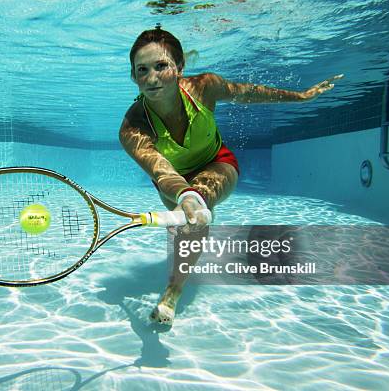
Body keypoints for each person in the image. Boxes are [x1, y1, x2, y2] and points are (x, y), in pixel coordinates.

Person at [119, 26, 343, 326]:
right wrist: (186, 196)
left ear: (179, 67)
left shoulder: (203, 87)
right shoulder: (132, 127)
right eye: (142, 70)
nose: (152, 78)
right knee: (191, 225)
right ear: (133, 76)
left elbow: (247, 93)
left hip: (217, 164)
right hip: (172, 182)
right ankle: (174, 289)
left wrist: (300, 97)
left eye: (161, 66)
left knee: (197, 205)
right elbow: (160, 169)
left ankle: (174, 289)